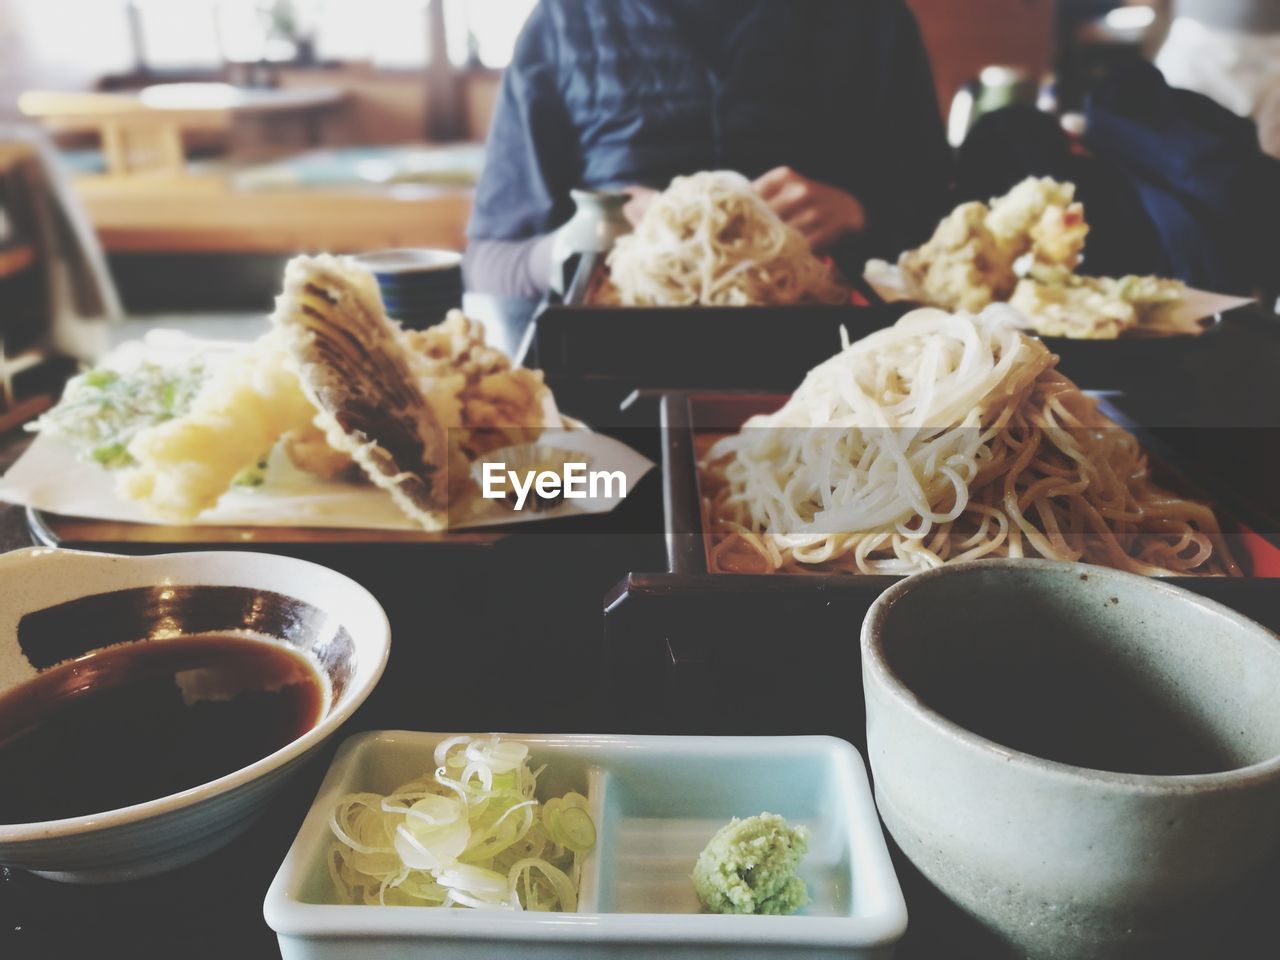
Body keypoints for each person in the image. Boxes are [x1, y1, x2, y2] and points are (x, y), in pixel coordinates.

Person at [463, 0, 952, 296]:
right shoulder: (566, 22)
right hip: (611, 384)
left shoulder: (871, 19)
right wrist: (577, 244)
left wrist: (858, 213)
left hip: (831, 381)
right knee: (518, 477)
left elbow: (952, 229)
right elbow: (487, 263)